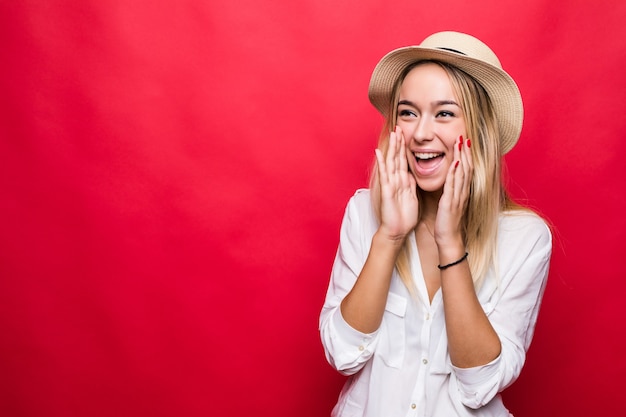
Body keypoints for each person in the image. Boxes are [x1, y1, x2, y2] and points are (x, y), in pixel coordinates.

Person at [319, 31, 552, 417]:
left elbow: (479, 385)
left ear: (478, 131)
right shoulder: (364, 214)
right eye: (408, 112)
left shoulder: (526, 239)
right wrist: (389, 236)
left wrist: (450, 244)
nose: (421, 133)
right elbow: (342, 353)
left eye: (444, 113)